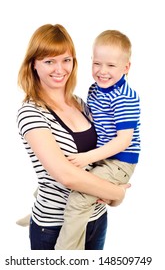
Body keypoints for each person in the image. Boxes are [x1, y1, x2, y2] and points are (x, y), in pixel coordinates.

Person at [17, 24, 130, 250]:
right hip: (53, 227)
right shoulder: (30, 112)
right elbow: (66, 175)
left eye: (66, 60)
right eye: (49, 61)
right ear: (33, 65)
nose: (60, 69)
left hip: (96, 218)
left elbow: (107, 149)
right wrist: (117, 194)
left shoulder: (80, 103)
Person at [55, 29, 141, 250]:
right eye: (97, 64)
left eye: (111, 66)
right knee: (57, 181)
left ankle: (62, 253)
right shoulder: (95, 90)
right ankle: (39, 216)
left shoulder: (125, 98)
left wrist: (88, 157)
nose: (102, 72)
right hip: (102, 155)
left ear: (126, 68)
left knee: (78, 199)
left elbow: (123, 141)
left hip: (118, 161)